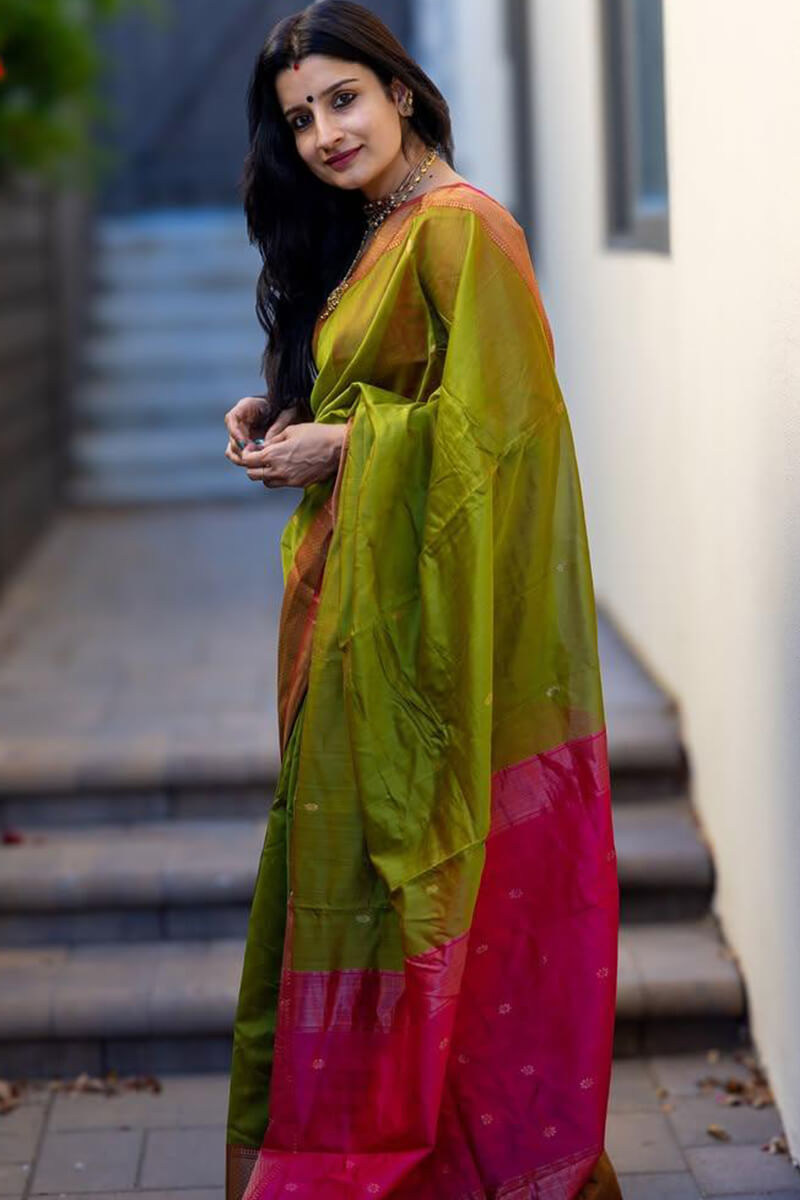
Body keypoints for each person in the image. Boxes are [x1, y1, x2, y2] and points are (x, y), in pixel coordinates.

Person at [222, 4, 621, 1198]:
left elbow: (501, 440)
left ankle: (449, 1166)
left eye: (343, 98)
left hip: (423, 640)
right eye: (299, 118)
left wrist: (349, 452)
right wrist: (283, 414)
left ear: (401, 90)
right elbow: (395, 391)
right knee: (356, 892)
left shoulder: (461, 230)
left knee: (432, 893)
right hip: (353, 623)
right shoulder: (378, 227)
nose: (324, 133)